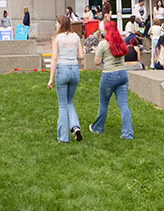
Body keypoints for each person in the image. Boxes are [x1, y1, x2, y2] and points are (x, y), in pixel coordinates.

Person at [89, 20, 133, 139]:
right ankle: (127, 133)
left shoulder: (103, 44)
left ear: (107, 30)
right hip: (122, 75)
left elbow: (97, 62)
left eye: (103, 28)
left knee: (103, 104)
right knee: (123, 105)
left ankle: (97, 128)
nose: (101, 30)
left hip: (109, 75)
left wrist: (97, 53)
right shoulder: (121, 42)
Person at [47, 14, 83, 143]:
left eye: (57, 23)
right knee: (70, 102)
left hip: (62, 70)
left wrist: (51, 78)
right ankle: (75, 127)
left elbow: (54, 58)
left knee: (62, 105)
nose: (56, 25)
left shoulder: (56, 38)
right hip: (74, 70)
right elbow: (81, 55)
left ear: (61, 24)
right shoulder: (76, 37)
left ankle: (63, 138)